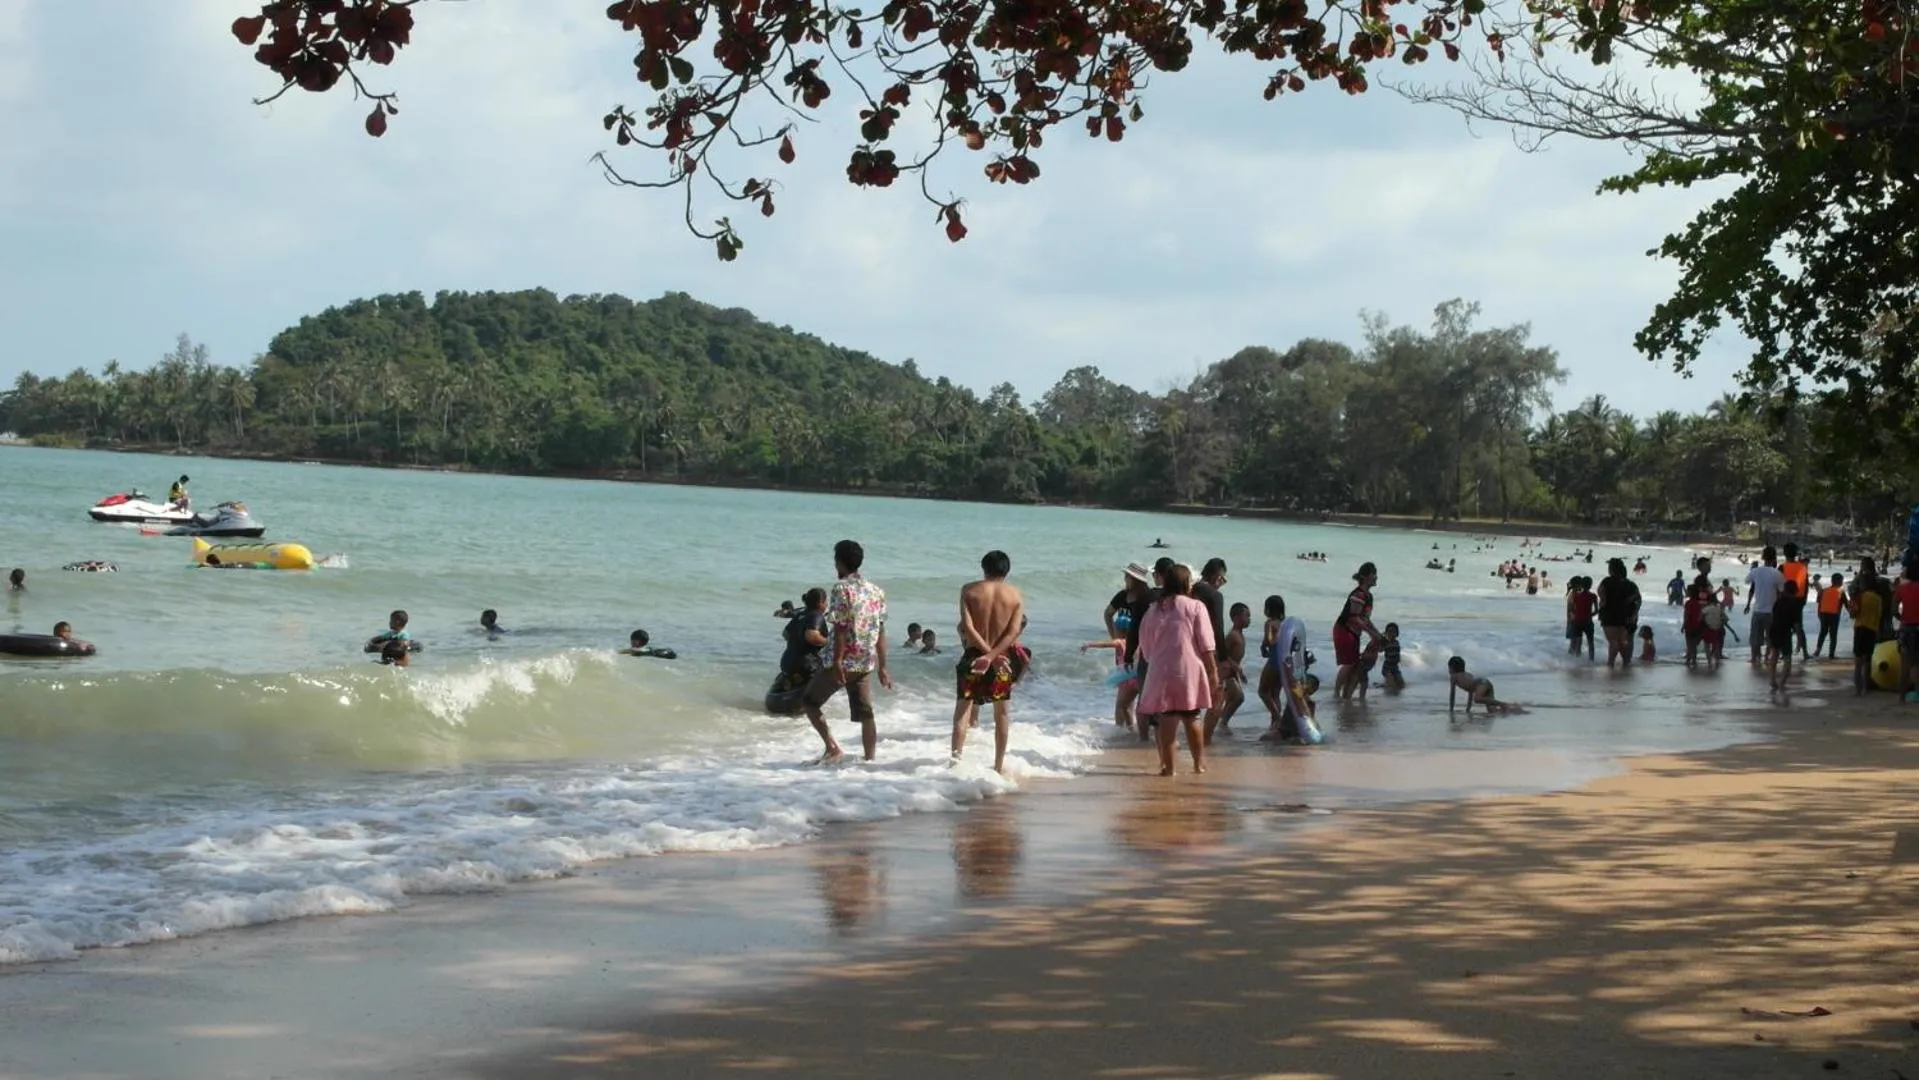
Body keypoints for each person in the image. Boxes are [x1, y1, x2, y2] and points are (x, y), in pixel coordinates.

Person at [802, 539, 893, 764]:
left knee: (810, 702)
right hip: (865, 661)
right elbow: (881, 630)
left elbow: (841, 627)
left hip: (843, 661)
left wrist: (838, 661)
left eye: (836, 561)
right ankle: (870, 761)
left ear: (840, 563)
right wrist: (883, 667)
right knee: (866, 713)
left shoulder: (841, 589)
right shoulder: (876, 591)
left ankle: (832, 748)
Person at [1134, 563, 1219, 776]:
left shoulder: (1153, 610)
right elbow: (1206, 643)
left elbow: (1145, 647)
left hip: (1160, 669)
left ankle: (1168, 768)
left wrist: (1157, 659)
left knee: (1168, 718)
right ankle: (1199, 765)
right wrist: (1213, 671)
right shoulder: (1195, 607)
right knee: (1192, 716)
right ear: (1186, 583)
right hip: (1188, 669)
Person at [951, 550, 1027, 773]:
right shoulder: (1016, 595)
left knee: (962, 712)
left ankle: (955, 763)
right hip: (1002, 659)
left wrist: (985, 655)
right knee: (1002, 713)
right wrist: (993, 657)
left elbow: (968, 628)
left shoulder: (969, 590)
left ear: (984, 568)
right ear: (1007, 570)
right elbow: (1014, 631)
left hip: (974, 657)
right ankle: (998, 766)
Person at [1104, 563, 1157, 733]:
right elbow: (1108, 613)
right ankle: (1123, 731)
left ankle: (1135, 732)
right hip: (1123, 651)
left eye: (1128, 576)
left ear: (1136, 579)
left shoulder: (1148, 598)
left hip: (1142, 652)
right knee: (1124, 695)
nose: (1125, 579)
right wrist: (1115, 637)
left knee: (1135, 694)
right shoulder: (1122, 596)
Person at [1332, 562, 1383, 700]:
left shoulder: (1368, 596)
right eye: (1374, 574)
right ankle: (1336, 694)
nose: (1377, 577)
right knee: (1349, 664)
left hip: (1353, 632)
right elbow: (1354, 618)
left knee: (1353, 663)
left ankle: (1345, 695)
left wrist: (1378, 634)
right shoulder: (1359, 594)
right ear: (1365, 577)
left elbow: (1365, 619)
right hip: (1344, 630)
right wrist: (1371, 633)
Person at [1211, 602, 1251, 736]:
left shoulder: (1241, 636)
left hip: (1233, 672)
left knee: (1230, 699)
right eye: (1246, 616)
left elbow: (1236, 657)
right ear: (1236, 618)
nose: (1249, 619)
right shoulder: (1233, 635)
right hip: (1226, 672)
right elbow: (1221, 654)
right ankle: (1222, 723)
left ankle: (1220, 723)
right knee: (1239, 697)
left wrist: (1239, 671)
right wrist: (1236, 668)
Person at [777, 587, 830, 689]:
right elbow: (812, 636)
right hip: (806, 666)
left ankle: (792, 681)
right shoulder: (816, 616)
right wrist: (831, 642)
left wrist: (797, 642)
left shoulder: (800, 615)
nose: (827, 604)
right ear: (820, 602)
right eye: (826, 601)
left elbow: (785, 633)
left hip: (786, 662)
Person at [1849, 560, 1887, 696]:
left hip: (1860, 629)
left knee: (1858, 662)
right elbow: (1880, 614)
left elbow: (1852, 613)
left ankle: (1857, 690)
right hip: (1872, 630)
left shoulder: (1859, 596)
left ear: (1862, 584)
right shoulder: (1878, 598)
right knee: (1867, 661)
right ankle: (1866, 688)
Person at [1595, 559, 1642, 668]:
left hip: (1609, 615)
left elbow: (1601, 595)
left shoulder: (1606, 581)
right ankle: (1626, 662)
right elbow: (1638, 599)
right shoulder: (1630, 584)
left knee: (1613, 641)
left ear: (1611, 570)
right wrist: (1634, 613)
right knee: (1623, 641)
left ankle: (1610, 663)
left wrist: (1602, 605)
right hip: (1625, 616)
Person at [1744, 546, 1785, 666]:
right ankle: (1767, 657)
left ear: (1762, 557)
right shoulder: (1777, 574)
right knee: (1770, 637)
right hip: (1772, 611)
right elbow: (1781, 591)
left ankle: (1754, 658)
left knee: (1755, 637)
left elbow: (1747, 581)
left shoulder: (1756, 571)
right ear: (1775, 558)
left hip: (1757, 610)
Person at [1447, 656, 1521, 715]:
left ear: (1451, 668)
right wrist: (1468, 709)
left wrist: (1451, 709)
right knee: (1492, 710)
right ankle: (1514, 707)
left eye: (1449, 668)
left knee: (1477, 699)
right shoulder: (1468, 674)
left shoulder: (1454, 677)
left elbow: (1452, 695)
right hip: (1485, 683)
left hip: (1481, 684)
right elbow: (1471, 692)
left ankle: (1503, 704)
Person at [1781, 543, 1812, 658]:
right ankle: (1805, 652)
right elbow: (1806, 585)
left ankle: (1784, 653)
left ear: (1784, 553)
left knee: (1784, 627)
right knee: (1799, 627)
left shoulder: (1782, 567)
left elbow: (1778, 586)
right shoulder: (1803, 567)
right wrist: (1804, 600)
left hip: (1785, 600)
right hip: (1798, 601)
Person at [1898, 562, 1919, 702]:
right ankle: (1917, 694)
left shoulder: (1902, 588)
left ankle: (1902, 698)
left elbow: (1893, 609)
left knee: (1905, 664)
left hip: (1906, 628)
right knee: (1917, 663)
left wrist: (1903, 618)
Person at [1814, 573, 1846, 660]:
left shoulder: (1824, 591)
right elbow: (1847, 605)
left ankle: (1817, 650)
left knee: (1823, 633)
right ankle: (1831, 654)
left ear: (1832, 581)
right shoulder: (1841, 592)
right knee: (1833, 635)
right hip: (1834, 616)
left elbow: (1819, 603)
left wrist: (1819, 615)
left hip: (1823, 615)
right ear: (1841, 582)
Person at [1700, 588, 1728, 671]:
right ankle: (1716, 660)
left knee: (1706, 646)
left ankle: (1709, 662)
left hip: (1709, 628)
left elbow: (1700, 617)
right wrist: (1720, 624)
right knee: (1716, 645)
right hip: (1717, 629)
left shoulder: (1707, 608)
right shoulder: (1719, 609)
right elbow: (1725, 619)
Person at [1682, 582, 1705, 668]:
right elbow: (1701, 615)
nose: (1686, 592)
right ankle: (1694, 660)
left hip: (1689, 626)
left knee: (1689, 644)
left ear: (1691, 593)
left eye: (1687, 591)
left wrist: (1684, 625)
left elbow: (1687, 615)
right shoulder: (1699, 603)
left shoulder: (1688, 603)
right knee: (1694, 645)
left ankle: (1688, 660)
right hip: (1698, 626)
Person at [1378, 622, 1404, 691]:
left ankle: (1385, 684)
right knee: (1393, 686)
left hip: (1395, 667)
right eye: (1390, 632)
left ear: (1397, 633)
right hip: (1387, 668)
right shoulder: (1385, 643)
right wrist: (1382, 638)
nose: (1392, 634)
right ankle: (1387, 685)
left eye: (1394, 632)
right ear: (1386, 633)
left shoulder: (1397, 642)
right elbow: (1379, 650)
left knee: (1401, 685)